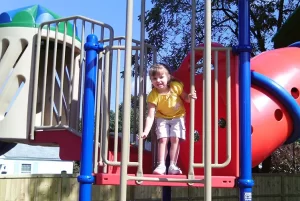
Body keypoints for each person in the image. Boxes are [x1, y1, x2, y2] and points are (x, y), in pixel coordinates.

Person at [140, 63, 197, 175]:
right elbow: (151, 115)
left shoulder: (175, 86)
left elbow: (185, 98)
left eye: (161, 77)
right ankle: (161, 165)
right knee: (163, 139)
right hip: (162, 118)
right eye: (154, 78)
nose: (158, 80)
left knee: (175, 139)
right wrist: (145, 131)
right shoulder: (153, 95)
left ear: (168, 77)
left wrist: (190, 97)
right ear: (151, 81)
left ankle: (172, 165)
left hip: (178, 116)